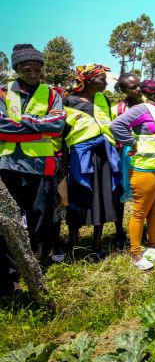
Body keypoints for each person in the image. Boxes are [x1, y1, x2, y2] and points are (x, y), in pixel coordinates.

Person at [0, 44, 65, 290]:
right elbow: (1, 126)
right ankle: (9, 273)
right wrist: (39, 124)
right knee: (8, 220)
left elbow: (57, 125)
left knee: (41, 219)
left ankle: (37, 263)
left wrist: (20, 123)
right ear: (17, 69)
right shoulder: (4, 93)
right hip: (9, 166)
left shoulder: (52, 94)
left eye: (37, 69)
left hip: (41, 166)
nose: (32, 74)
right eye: (27, 69)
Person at [110, 80, 155, 270]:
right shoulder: (142, 109)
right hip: (147, 169)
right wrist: (131, 142)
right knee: (140, 211)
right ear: (153, 95)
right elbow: (117, 125)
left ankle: (153, 245)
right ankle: (135, 253)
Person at [63, 64, 124, 260]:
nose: (106, 82)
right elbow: (63, 132)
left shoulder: (102, 99)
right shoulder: (69, 101)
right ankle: (72, 246)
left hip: (104, 155)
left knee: (104, 197)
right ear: (88, 80)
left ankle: (96, 247)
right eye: (102, 78)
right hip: (81, 156)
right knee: (79, 196)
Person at [112, 73, 144, 244]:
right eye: (133, 87)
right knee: (121, 192)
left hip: (147, 153)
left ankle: (141, 229)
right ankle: (119, 232)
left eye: (139, 85)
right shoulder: (117, 110)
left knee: (144, 192)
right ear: (123, 90)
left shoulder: (149, 105)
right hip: (125, 155)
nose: (138, 89)